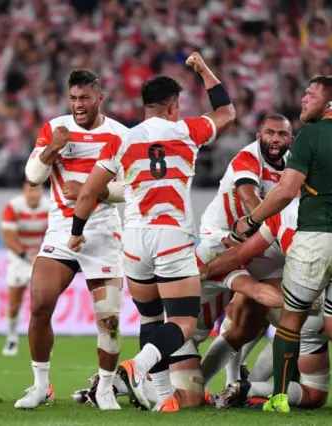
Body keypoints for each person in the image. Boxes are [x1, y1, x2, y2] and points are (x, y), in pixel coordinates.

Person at [67, 52, 236, 412]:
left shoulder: (122, 140)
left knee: (150, 318)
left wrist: (76, 232)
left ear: (146, 106)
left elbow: (87, 193)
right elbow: (227, 113)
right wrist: (205, 70)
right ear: (174, 106)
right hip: (171, 235)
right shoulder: (187, 131)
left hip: (134, 239)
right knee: (184, 321)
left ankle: (161, 397)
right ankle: (136, 367)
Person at [233, 75, 332, 414]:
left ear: (331, 104)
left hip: (316, 239)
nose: (304, 98)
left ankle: (278, 396)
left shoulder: (309, 137)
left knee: (292, 319)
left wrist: (251, 220)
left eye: (312, 94)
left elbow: (285, 191)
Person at [15, 69, 127, 410]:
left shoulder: (120, 134)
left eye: (85, 98)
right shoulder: (55, 128)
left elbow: (131, 189)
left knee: (109, 317)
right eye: (73, 98)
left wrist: (94, 191)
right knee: (39, 303)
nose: (78, 105)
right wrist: (52, 149)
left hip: (103, 230)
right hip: (63, 230)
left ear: (99, 98)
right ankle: (40, 386)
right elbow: (33, 177)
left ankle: (105, 387)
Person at [197, 114, 294, 388]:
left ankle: (234, 383)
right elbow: (251, 200)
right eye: (270, 133)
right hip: (220, 239)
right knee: (196, 326)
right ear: (258, 136)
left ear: (290, 140)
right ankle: (148, 374)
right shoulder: (247, 157)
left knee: (255, 321)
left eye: (282, 134)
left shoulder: (294, 167)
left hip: (258, 243)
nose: (275, 139)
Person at [0, 182, 50, 356]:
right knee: (14, 304)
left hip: (42, 256)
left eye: (37, 190)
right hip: (20, 258)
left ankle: (43, 342)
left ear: (41, 191)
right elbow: (9, 237)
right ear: (24, 191)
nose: (33, 194)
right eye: (30, 190)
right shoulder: (14, 206)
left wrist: (44, 253)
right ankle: (12, 337)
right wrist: (27, 256)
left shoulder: (50, 205)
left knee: (43, 303)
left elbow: (56, 232)